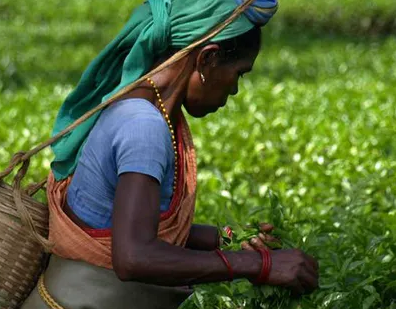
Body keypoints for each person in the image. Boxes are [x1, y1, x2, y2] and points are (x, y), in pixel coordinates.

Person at [22, 0, 318, 308]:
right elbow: (134, 257)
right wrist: (259, 266)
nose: (234, 90)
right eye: (239, 73)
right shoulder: (144, 126)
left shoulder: (143, 108)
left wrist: (231, 238)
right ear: (207, 59)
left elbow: (131, 223)